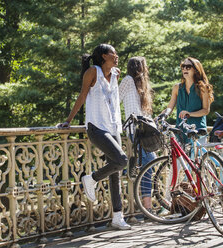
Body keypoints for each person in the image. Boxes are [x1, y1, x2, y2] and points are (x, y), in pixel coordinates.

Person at [57, 44, 130, 230]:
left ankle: (117, 216)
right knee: (121, 160)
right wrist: (68, 120)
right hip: (96, 127)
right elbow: (82, 96)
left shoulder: (115, 73)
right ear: (105, 56)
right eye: (114, 53)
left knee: (116, 174)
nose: (117, 56)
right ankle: (92, 179)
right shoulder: (92, 72)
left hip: (113, 127)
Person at [119, 56, 155, 212]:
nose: (145, 69)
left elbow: (145, 111)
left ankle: (146, 205)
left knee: (150, 164)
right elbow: (116, 99)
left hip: (146, 129)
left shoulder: (142, 85)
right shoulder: (127, 80)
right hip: (135, 129)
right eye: (143, 66)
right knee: (149, 164)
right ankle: (146, 207)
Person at [158, 57, 214, 144]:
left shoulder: (203, 88)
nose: (184, 69)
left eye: (188, 66)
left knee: (196, 157)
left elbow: (206, 110)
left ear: (195, 70)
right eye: (183, 66)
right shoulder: (177, 88)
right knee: (180, 157)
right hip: (180, 131)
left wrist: (189, 114)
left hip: (198, 130)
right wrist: (160, 117)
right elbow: (170, 107)